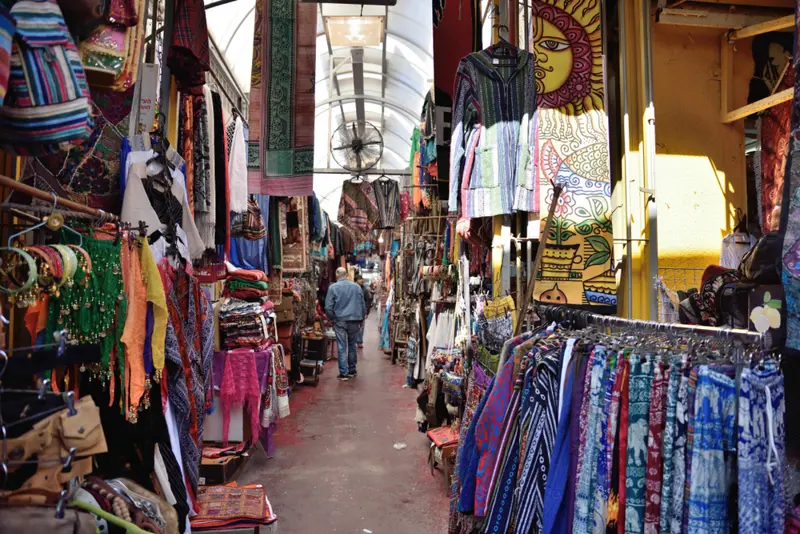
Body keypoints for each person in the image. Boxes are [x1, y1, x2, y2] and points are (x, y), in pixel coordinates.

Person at [325, 267, 366, 381]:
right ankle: (352, 370)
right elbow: (362, 304)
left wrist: (332, 318)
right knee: (352, 345)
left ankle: (343, 373)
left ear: (337, 274)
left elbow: (328, 307)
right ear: (347, 275)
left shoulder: (333, 287)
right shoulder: (356, 287)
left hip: (340, 320)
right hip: (354, 319)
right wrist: (361, 318)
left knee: (342, 346)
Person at [356, 277, 373, 348]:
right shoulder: (353, 288)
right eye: (360, 279)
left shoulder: (365, 290)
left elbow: (367, 301)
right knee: (353, 327)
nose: (361, 280)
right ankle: (354, 340)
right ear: (356, 280)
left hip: (361, 311)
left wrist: (366, 312)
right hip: (353, 311)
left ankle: (359, 341)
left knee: (361, 327)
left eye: (362, 279)